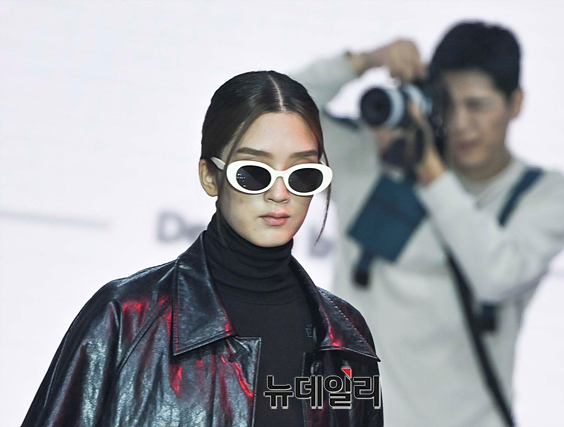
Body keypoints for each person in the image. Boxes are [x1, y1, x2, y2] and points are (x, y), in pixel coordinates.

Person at [21, 71, 382, 427]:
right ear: (210, 176)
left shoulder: (345, 338)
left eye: (302, 174)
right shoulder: (125, 317)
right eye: (254, 172)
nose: (279, 193)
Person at [294, 21, 564, 426]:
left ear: (515, 103)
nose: (461, 122)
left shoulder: (544, 195)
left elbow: (498, 275)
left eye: (477, 105)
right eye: (448, 102)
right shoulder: (370, 160)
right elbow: (269, 113)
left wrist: (427, 166)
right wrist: (364, 61)